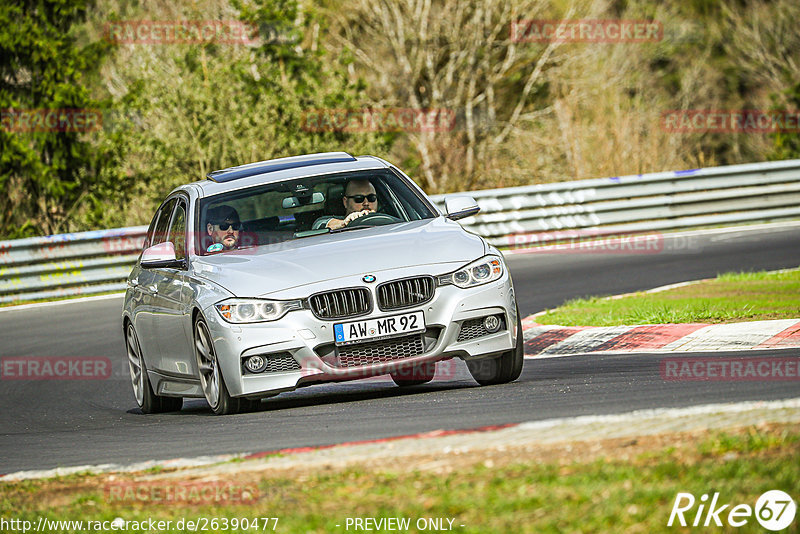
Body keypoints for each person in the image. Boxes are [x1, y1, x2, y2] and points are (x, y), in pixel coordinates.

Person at [313, 179, 378, 230]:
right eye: (359, 199)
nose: (366, 203)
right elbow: (319, 225)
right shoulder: (326, 221)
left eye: (371, 198)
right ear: (345, 202)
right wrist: (345, 223)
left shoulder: (387, 218)